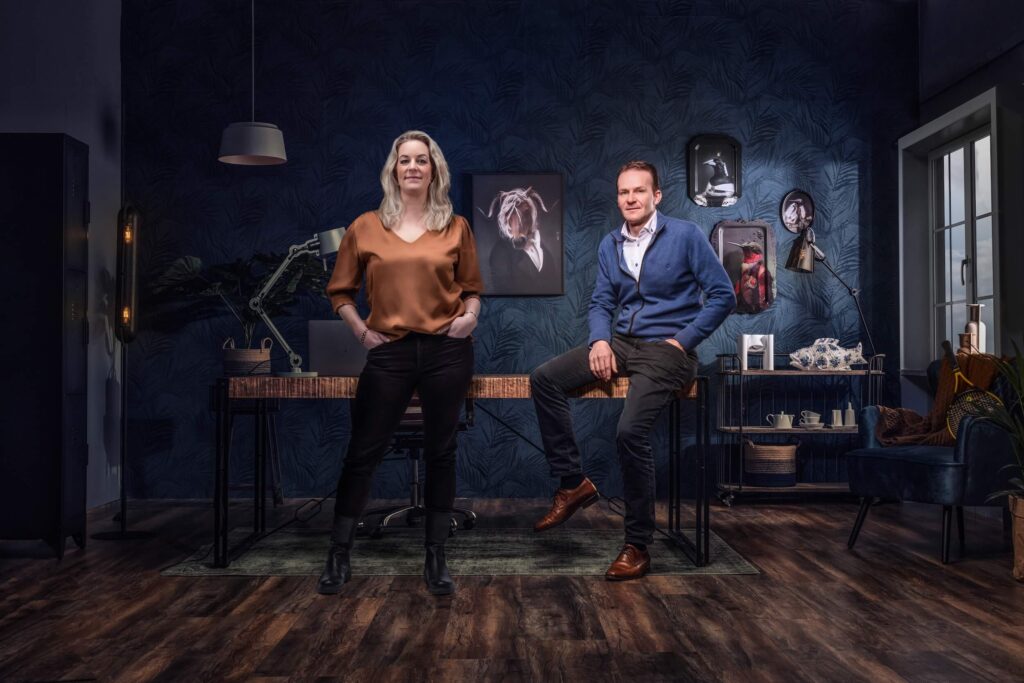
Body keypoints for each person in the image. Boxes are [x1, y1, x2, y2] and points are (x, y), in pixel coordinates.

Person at [530, 160, 735, 580]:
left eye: (639, 190)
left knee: (629, 433)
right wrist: (600, 340)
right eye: (624, 192)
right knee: (544, 379)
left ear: (656, 195)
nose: (631, 198)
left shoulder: (686, 235)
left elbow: (723, 295)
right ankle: (572, 483)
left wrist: (683, 340)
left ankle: (637, 545)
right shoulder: (610, 244)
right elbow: (602, 301)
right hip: (622, 342)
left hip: (668, 349)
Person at [320, 130, 483, 597]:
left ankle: (436, 556)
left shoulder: (456, 226)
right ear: (393, 170)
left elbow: (472, 289)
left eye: (421, 160)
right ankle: (338, 553)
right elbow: (340, 292)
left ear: (434, 171)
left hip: (446, 350)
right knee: (363, 451)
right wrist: (360, 332)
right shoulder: (366, 226)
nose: (413, 167)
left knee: (441, 451)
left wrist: (469, 318)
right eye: (404, 159)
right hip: (389, 351)